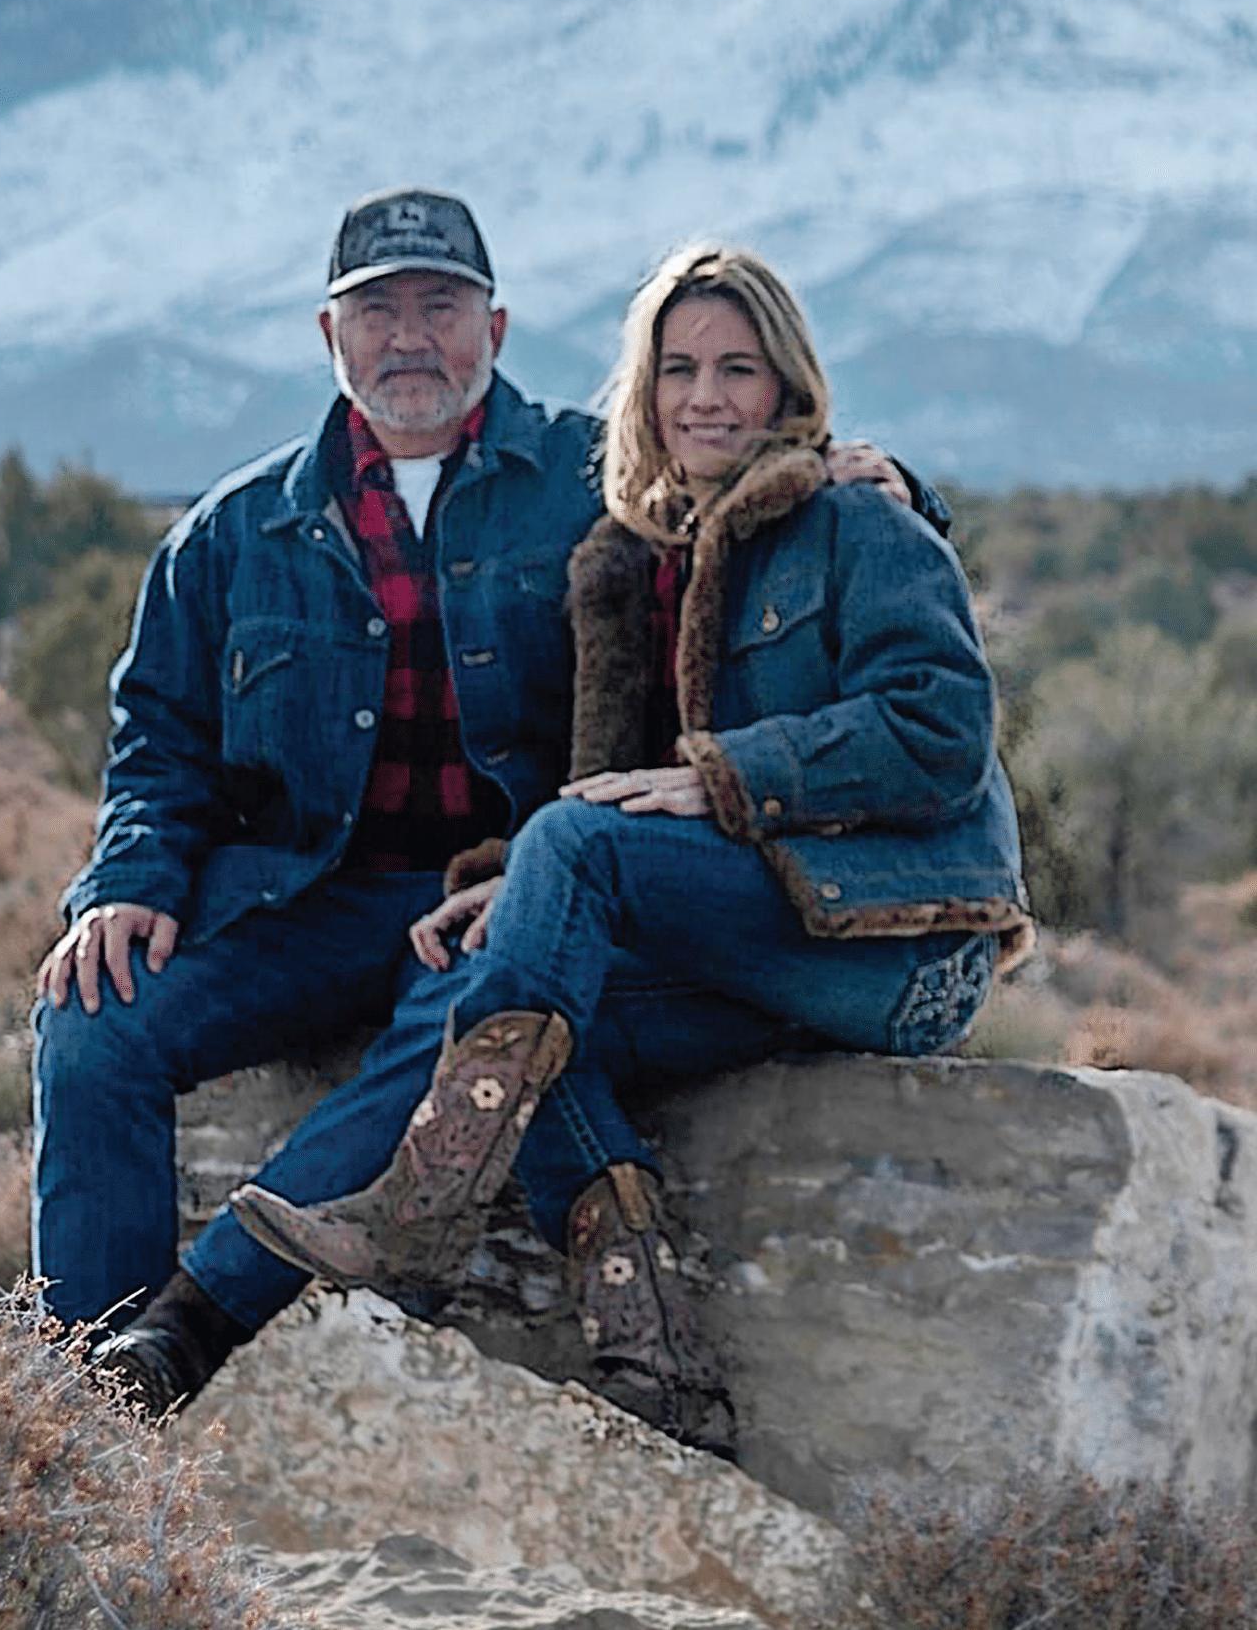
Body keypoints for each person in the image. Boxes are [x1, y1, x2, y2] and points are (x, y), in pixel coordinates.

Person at [31, 192, 942, 1429]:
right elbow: (159, 739)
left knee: (481, 1009)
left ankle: (187, 1326)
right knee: (93, 1020)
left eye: (441, 306)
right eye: (379, 310)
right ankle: (85, 1402)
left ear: (496, 328)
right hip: (295, 902)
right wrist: (128, 879)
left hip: (509, 891)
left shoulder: (603, 482)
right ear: (330, 334)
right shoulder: (233, 532)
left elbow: (764, 499)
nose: (411, 337)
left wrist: (890, 482)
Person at [230, 241, 1034, 1450]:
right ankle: (658, 1363)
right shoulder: (636, 562)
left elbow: (942, 732)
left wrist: (727, 775)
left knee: (566, 866)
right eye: (678, 369)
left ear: (788, 384)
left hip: (903, 943)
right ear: (644, 390)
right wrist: (519, 889)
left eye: (738, 368)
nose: (706, 396)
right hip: (773, 934)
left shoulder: (858, 520)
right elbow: (612, 798)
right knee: (538, 991)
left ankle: (422, 1212)